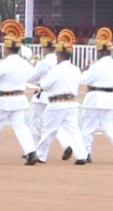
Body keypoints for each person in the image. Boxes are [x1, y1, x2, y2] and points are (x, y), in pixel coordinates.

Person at [0, 21, 39, 165]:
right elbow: (30, 77)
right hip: (19, 98)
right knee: (21, 127)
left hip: (3, 99)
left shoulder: (3, 64)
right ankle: (31, 152)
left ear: (8, 49)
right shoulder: (25, 64)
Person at [75, 27, 113, 163]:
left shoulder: (96, 65)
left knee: (88, 126)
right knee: (108, 126)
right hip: (110, 97)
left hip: (95, 97)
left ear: (102, 51)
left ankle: (86, 153)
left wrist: (85, 70)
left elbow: (84, 80)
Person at [33, 28, 84, 161]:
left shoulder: (56, 69)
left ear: (60, 55)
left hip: (56, 103)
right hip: (72, 103)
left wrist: (40, 83)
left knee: (48, 131)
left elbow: (45, 85)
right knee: (74, 131)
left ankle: (40, 155)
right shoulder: (76, 69)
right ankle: (81, 155)